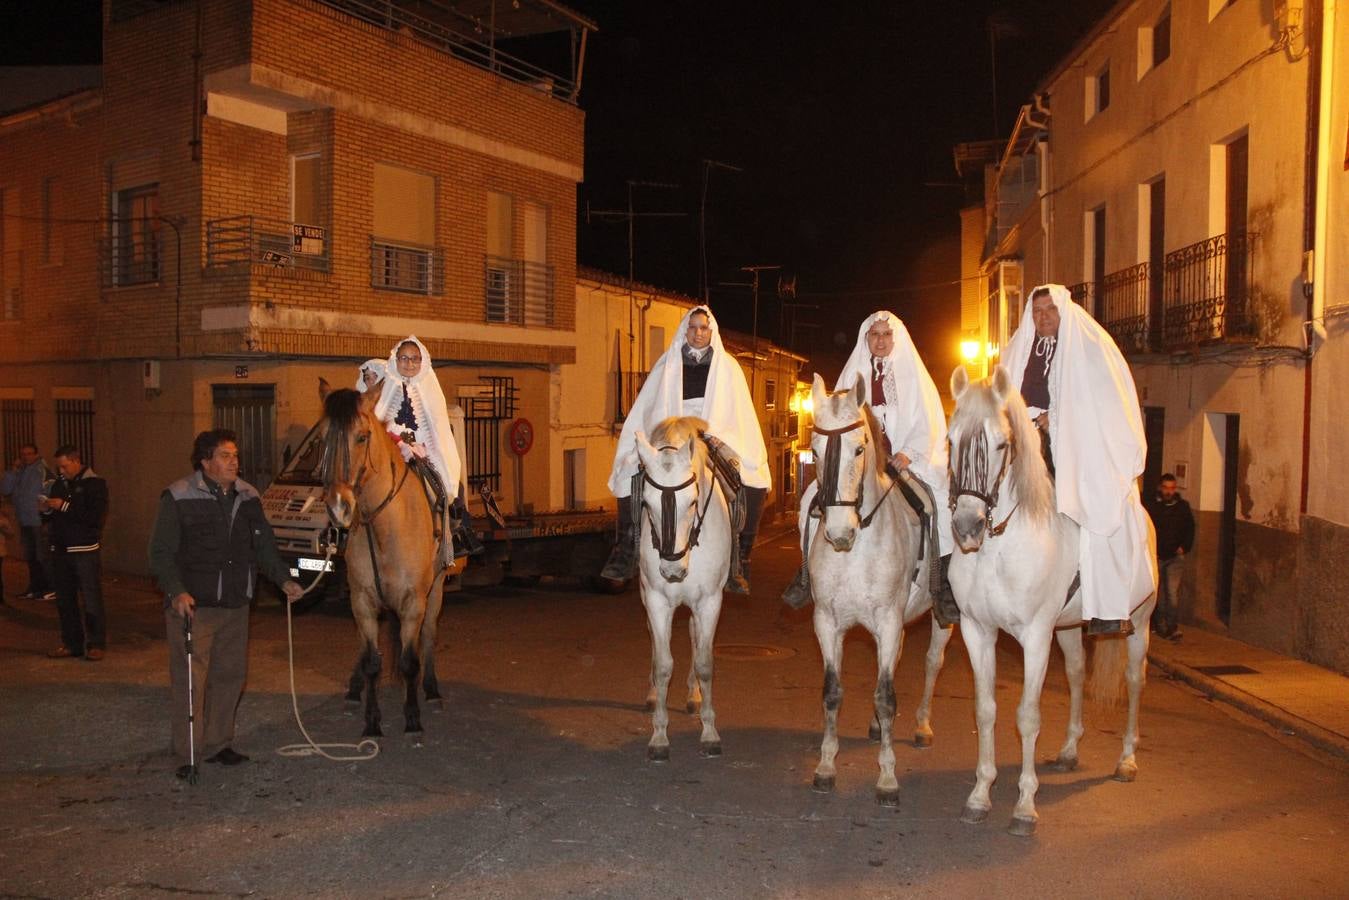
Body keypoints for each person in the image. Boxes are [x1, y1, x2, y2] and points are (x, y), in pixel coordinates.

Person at [1002, 284, 1157, 635]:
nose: (1042, 317)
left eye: (1048, 310)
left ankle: (1107, 605)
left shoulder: (1091, 345)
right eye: (1036, 311)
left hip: (1077, 448)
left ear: (1062, 311)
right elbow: (1005, 395)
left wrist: (1053, 420)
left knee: (1101, 507)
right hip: (1026, 446)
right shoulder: (1019, 349)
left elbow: (1102, 404)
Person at [782, 312, 958, 623]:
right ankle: (807, 572)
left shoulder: (914, 375)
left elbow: (928, 421)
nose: (880, 340)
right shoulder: (853, 376)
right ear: (867, 340)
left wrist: (908, 453)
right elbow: (835, 417)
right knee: (811, 498)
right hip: (859, 461)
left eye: (885, 335)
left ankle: (940, 583)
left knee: (934, 505)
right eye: (874, 335)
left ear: (896, 339)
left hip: (902, 460)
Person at [148, 429, 303, 780]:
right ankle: (188, 752)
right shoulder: (178, 496)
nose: (234, 461)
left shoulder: (248, 496)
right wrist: (176, 591)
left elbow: (263, 547)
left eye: (235, 455)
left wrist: (283, 580)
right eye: (225, 455)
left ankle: (219, 743)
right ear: (205, 462)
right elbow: (160, 554)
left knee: (230, 676)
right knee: (191, 681)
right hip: (194, 607)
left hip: (236, 604)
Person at [603, 306, 770, 592]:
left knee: (753, 474)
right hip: (672, 433)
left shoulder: (728, 367)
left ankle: (741, 555)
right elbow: (651, 406)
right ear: (685, 330)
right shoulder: (667, 364)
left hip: (712, 434)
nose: (698, 333)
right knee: (630, 468)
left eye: (703, 328)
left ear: (711, 331)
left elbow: (736, 411)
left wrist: (716, 434)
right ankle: (626, 549)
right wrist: (664, 434)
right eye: (693, 327)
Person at [368, 336, 480, 562]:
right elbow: (377, 421)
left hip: (424, 452)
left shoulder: (431, 387)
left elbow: (437, 426)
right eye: (404, 358)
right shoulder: (386, 385)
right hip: (391, 450)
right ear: (395, 360)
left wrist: (426, 449)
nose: (409, 364)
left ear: (422, 361)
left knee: (450, 483)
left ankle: (458, 534)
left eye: (414, 359)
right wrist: (398, 443)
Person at [43, 446, 109, 661]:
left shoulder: (95, 484)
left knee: (91, 599)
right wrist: (46, 510)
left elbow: (94, 517)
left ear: (76, 460)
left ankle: (96, 644)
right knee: (65, 600)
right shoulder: (59, 485)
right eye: (59, 467)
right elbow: (52, 517)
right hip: (60, 550)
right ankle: (72, 643)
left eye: (64, 465)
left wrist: (63, 506)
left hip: (84, 551)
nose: (61, 471)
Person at [1, 444, 55, 600]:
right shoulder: (21, 471)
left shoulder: (42, 470)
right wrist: (13, 470)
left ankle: (49, 587)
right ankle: (35, 587)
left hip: (38, 521)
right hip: (25, 521)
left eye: (29, 454)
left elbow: (49, 491)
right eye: (23, 454)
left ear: (36, 454)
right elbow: (5, 490)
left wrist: (46, 516)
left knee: (42, 556)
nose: (26, 457)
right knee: (31, 557)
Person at [1145, 473, 1194, 640]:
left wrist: (1184, 547)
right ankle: (1157, 625)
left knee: (1172, 593)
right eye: (1166, 488)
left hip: (1175, 558)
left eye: (1172, 488)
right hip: (1156, 556)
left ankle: (1172, 627)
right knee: (1155, 594)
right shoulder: (1152, 506)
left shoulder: (1183, 507)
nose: (1169, 492)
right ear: (1160, 488)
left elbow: (1190, 528)